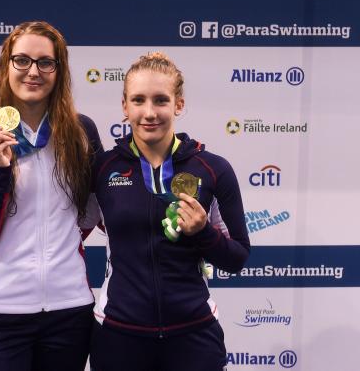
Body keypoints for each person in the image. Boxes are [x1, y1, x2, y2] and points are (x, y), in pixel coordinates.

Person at [89, 52, 250, 371]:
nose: (149, 112)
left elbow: (237, 258)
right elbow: (66, 228)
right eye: (138, 100)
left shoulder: (213, 169)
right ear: (125, 106)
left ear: (178, 104)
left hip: (194, 336)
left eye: (161, 100)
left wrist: (204, 233)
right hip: (119, 335)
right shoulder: (102, 168)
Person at [0, 21, 103, 371]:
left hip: (69, 309)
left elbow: (89, 214)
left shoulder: (82, 131)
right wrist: (0, 172)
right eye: (21, 60)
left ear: (59, 70)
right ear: (6, 66)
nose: (32, 71)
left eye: (45, 62)